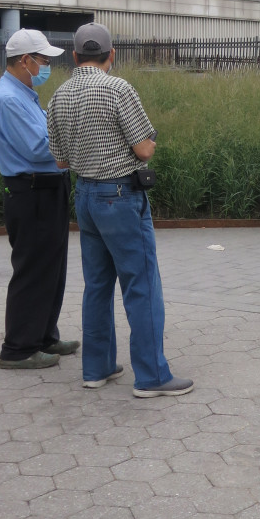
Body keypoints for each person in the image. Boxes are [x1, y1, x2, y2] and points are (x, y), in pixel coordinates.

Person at [47, 22, 193, 399]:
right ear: (112, 55)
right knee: (141, 286)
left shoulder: (59, 95)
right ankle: (151, 376)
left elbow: (60, 160)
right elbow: (144, 149)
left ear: (76, 56)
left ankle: (96, 368)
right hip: (120, 197)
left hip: (85, 197)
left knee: (97, 286)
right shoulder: (118, 88)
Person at [0, 27, 75, 370]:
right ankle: (19, 347)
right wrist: (75, 142)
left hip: (45, 189)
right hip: (31, 190)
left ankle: (44, 335)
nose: (46, 65)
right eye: (43, 60)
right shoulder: (8, 98)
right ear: (25, 61)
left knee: (51, 267)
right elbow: (41, 148)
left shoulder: (22, 93)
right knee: (33, 269)